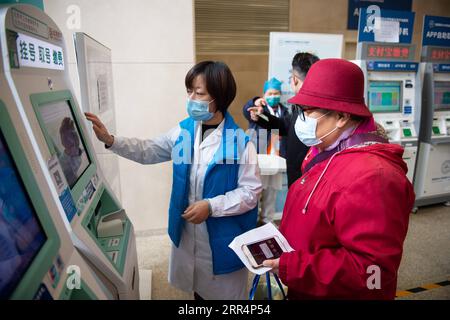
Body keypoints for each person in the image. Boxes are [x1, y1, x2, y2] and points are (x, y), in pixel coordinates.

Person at [85, 61, 262, 300]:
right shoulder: (184, 131)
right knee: (198, 291)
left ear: (219, 97)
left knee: (223, 296)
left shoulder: (241, 142)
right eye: (189, 91)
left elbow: (250, 193)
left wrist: (212, 206)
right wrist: (111, 140)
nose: (191, 98)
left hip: (222, 239)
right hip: (189, 233)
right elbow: (148, 150)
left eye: (198, 93)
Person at [262, 58, 415, 300]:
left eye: (308, 111)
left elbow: (374, 273)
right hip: (310, 286)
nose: (302, 119)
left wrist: (294, 267)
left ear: (342, 116)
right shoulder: (326, 151)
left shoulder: (374, 178)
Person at [247, 52, 320, 188]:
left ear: (294, 79)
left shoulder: (308, 106)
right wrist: (261, 117)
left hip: (305, 178)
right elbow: (284, 125)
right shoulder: (302, 105)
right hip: (301, 175)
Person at [242, 77, 287, 225]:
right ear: (264, 94)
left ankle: (267, 220)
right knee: (256, 190)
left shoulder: (285, 111)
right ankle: (251, 221)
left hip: (276, 157)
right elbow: (246, 110)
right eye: (270, 93)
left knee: (271, 191)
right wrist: (254, 101)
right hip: (259, 157)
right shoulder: (259, 109)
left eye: (276, 93)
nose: (273, 96)